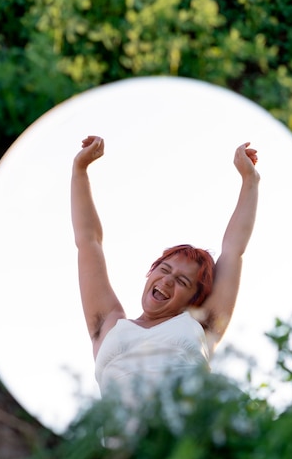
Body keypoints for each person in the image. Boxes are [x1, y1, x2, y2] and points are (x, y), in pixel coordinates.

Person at [71, 135, 259, 414]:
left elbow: (233, 251)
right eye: (164, 269)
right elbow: (89, 241)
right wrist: (79, 170)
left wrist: (250, 180)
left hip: (181, 443)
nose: (167, 281)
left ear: (194, 299)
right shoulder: (109, 324)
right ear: (151, 273)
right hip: (119, 449)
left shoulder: (202, 325)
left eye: (182, 281)